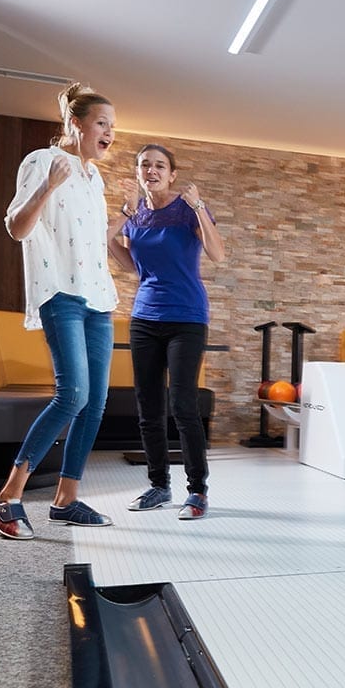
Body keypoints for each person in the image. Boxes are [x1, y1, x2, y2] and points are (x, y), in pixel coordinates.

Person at [0, 82, 121, 540]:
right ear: (75, 123)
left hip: (98, 298)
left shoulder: (93, 177)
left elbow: (91, 240)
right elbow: (16, 227)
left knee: (95, 403)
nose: (109, 133)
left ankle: (65, 500)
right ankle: (8, 496)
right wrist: (48, 185)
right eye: (102, 123)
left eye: (112, 127)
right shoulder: (42, 162)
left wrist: (121, 228)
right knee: (73, 395)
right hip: (59, 292)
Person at [108, 144, 226, 519]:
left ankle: (198, 491)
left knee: (183, 404)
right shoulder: (135, 212)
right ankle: (158, 485)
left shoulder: (187, 208)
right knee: (148, 406)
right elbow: (128, 262)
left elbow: (218, 254)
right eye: (145, 165)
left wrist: (198, 208)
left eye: (159, 165)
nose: (152, 170)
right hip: (144, 317)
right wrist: (122, 215)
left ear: (172, 174)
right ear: (139, 171)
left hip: (187, 317)